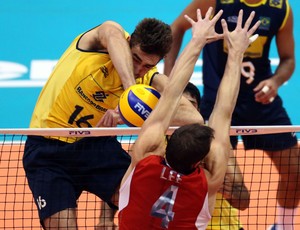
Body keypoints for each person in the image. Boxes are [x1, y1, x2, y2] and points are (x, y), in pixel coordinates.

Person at [23, 17, 204, 229]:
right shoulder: (100, 43)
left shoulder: (150, 79)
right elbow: (111, 31)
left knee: (148, 208)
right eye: (136, 58)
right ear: (130, 43)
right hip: (48, 150)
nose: (139, 69)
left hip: (97, 149)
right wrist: (131, 93)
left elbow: (194, 118)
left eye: (148, 65)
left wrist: (137, 111)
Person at [118, 8, 260, 229]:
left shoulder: (145, 157)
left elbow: (172, 93)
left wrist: (197, 40)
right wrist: (236, 53)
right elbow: (224, 112)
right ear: (199, 163)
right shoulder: (208, 182)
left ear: (167, 143)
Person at [164, 1, 298, 229]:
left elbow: (288, 59)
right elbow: (177, 27)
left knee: (295, 172)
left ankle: (283, 226)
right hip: (219, 103)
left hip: (260, 102)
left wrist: (275, 81)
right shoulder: (216, 2)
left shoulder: (281, 9)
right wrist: (169, 80)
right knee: (223, 181)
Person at [183, 82, 250, 230]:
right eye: (180, 105)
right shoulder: (158, 140)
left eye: (190, 104)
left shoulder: (215, 141)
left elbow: (244, 201)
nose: (185, 110)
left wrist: (229, 192)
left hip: (225, 227)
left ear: (198, 111)